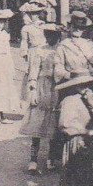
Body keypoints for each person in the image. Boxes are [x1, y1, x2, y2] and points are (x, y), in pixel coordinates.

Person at [20, 23, 63, 174]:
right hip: (42, 86)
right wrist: (33, 90)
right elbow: (33, 71)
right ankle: (33, 159)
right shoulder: (39, 51)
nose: (50, 38)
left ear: (58, 36)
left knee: (54, 125)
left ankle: (51, 158)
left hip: (57, 88)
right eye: (47, 34)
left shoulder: (61, 50)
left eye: (53, 35)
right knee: (37, 124)